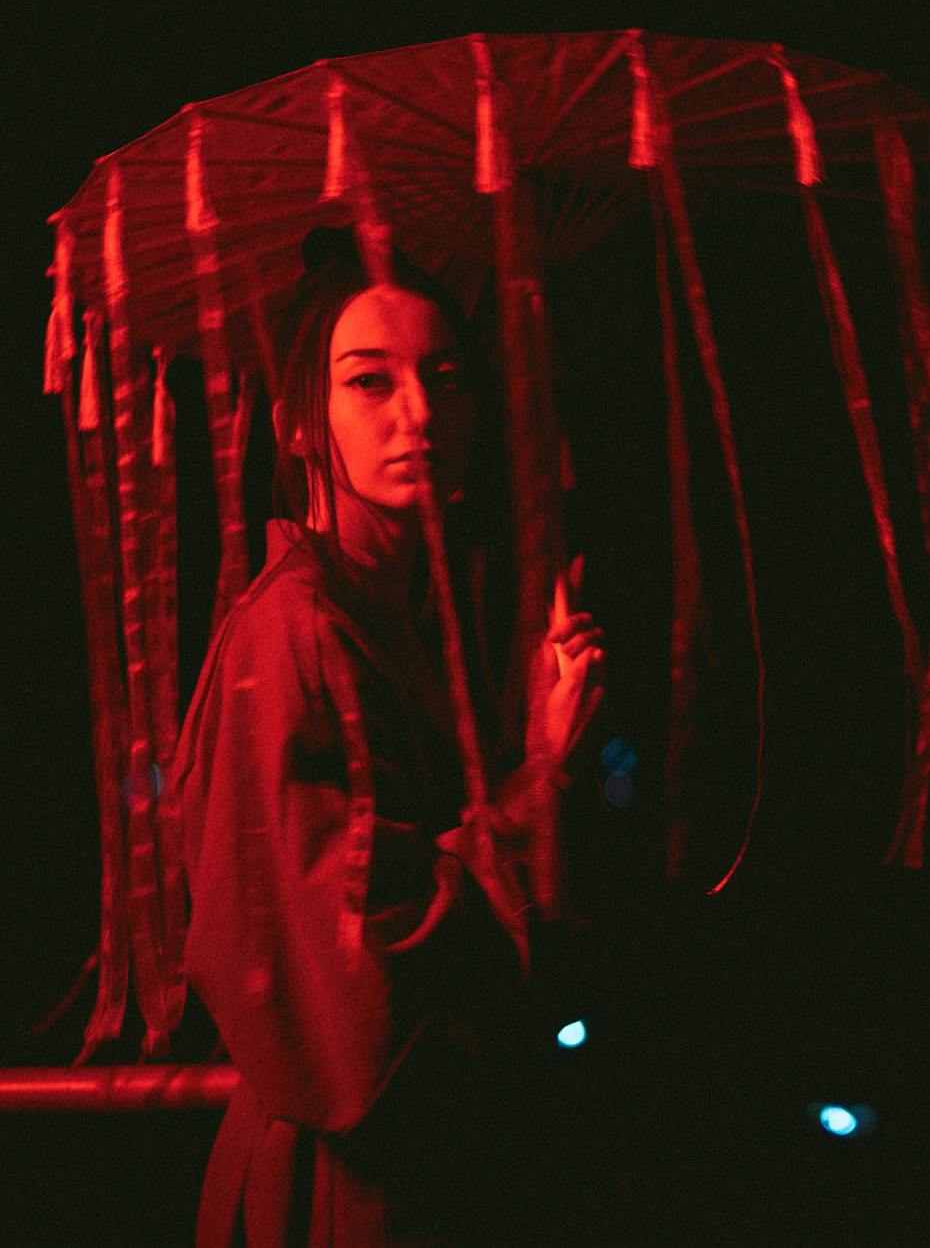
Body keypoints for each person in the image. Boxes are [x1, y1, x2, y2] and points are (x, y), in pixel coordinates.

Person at [175, 230, 605, 1246]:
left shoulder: (393, 613)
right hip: (350, 1177)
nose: (422, 413)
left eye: (445, 378)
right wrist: (540, 772)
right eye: (370, 382)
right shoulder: (298, 628)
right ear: (294, 423)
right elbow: (357, 969)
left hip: (425, 1158)